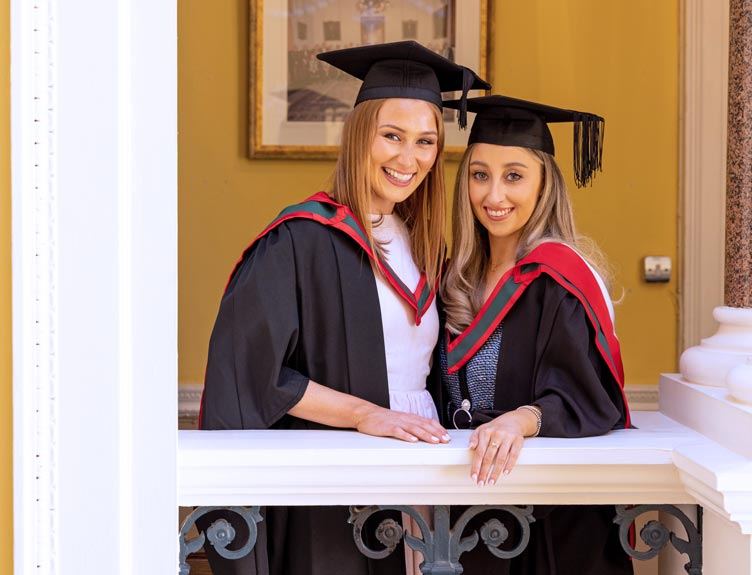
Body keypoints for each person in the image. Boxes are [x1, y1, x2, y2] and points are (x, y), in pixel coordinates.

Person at [198, 41, 490, 575]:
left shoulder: (423, 244)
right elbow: (250, 373)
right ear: (359, 137)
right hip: (335, 473)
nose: (409, 159)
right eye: (392, 136)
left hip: (422, 464)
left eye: (426, 141)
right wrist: (365, 413)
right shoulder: (300, 239)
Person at [438, 94, 632, 574]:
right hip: (468, 506)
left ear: (544, 184)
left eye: (514, 176)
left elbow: (592, 397)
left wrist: (519, 420)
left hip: (551, 518)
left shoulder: (561, 278)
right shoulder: (453, 277)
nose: (493, 195)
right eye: (480, 174)